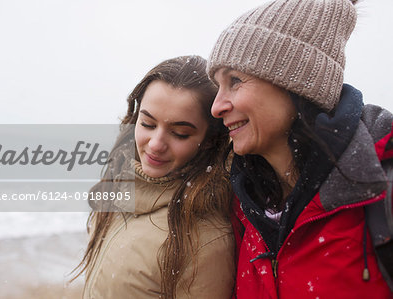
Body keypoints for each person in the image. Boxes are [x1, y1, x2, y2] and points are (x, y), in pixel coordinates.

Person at [207, 0, 393, 298]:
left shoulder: (381, 187)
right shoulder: (241, 206)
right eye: (217, 86)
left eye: (235, 80)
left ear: (297, 82)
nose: (216, 107)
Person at [73, 55, 235, 298]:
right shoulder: (117, 192)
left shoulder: (206, 241)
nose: (156, 144)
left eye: (180, 133)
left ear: (210, 141)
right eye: (148, 124)